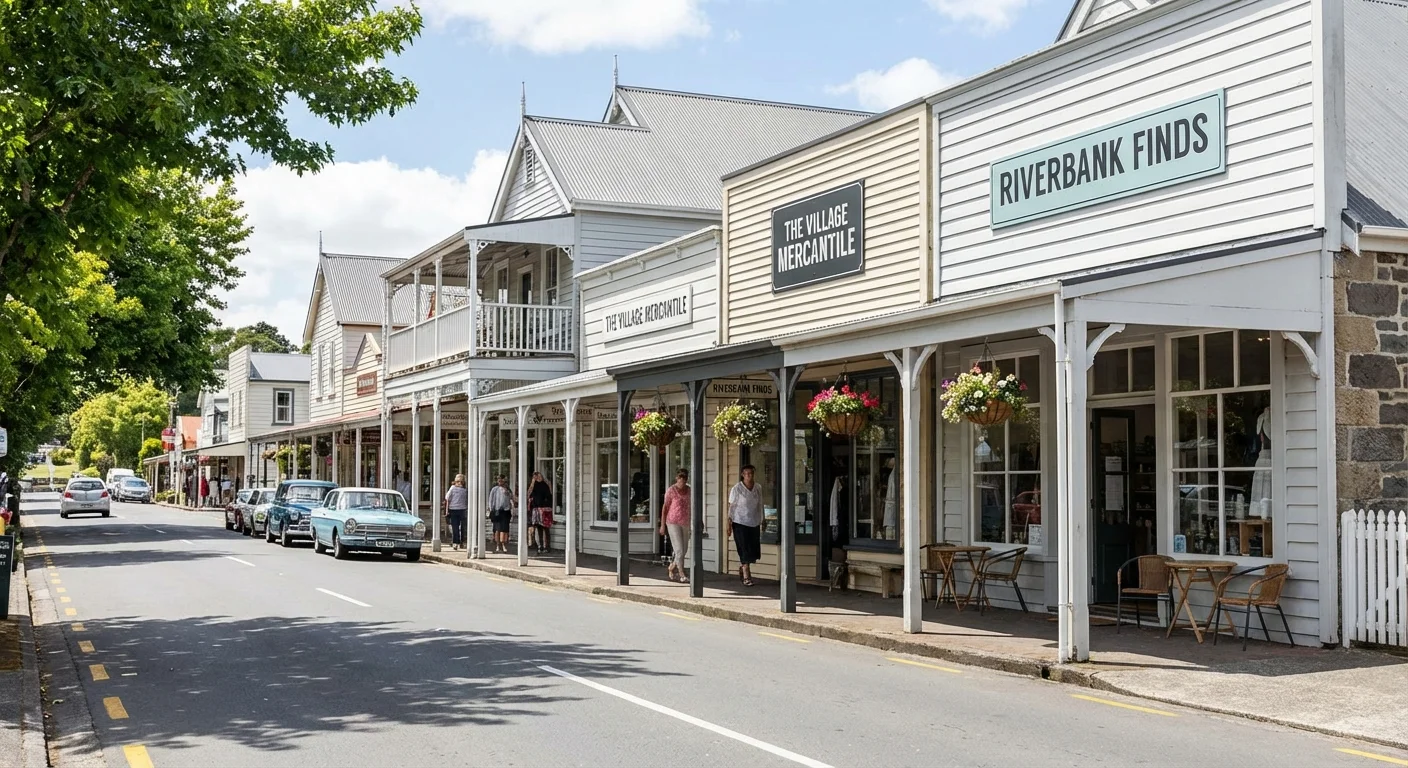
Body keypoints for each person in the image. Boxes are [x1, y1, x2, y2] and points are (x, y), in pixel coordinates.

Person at [727, 464, 763, 586]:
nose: (749, 475)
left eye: (751, 473)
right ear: (742, 475)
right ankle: (747, 574)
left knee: (753, 550)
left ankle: (743, 567)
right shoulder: (737, 489)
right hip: (739, 521)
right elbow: (731, 507)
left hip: (753, 521)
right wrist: (729, 522)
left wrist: (763, 519)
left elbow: (760, 504)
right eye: (746, 473)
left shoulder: (758, 487)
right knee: (743, 547)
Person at [659, 470, 691, 583]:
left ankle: (672, 567)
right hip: (673, 522)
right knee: (679, 550)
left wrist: (699, 520)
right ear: (677, 478)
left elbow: (693, 506)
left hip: (686, 522)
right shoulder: (671, 490)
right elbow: (665, 508)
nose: (682, 480)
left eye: (684, 478)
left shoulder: (689, 490)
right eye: (680, 478)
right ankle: (682, 573)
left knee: (685, 549)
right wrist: (662, 525)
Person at [528, 471, 554, 555]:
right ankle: (541, 546)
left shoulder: (545, 484)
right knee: (539, 528)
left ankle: (547, 546)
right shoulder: (534, 485)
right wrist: (532, 482)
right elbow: (528, 494)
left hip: (545, 509)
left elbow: (550, 494)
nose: (538, 478)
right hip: (537, 509)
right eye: (536, 477)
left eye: (539, 476)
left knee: (546, 528)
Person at [487, 475, 515, 554]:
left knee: (504, 528)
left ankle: (504, 544)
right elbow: (491, 500)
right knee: (497, 528)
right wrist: (491, 509)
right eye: (499, 480)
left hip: (505, 511)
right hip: (497, 510)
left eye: (502, 480)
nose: (500, 482)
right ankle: (497, 545)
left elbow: (512, 498)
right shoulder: (494, 489)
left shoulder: (507, 490)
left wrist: (507, 491)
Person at [443, 473, 469, 550]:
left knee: (456, 527)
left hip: (455, 509)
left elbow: (447, 497)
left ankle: (456, 542)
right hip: (461, 509)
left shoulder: (452, 488)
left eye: (461, 482)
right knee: (461, 526)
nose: (459, 483)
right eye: (458, 481)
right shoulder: (465, 490)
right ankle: (460, 542)